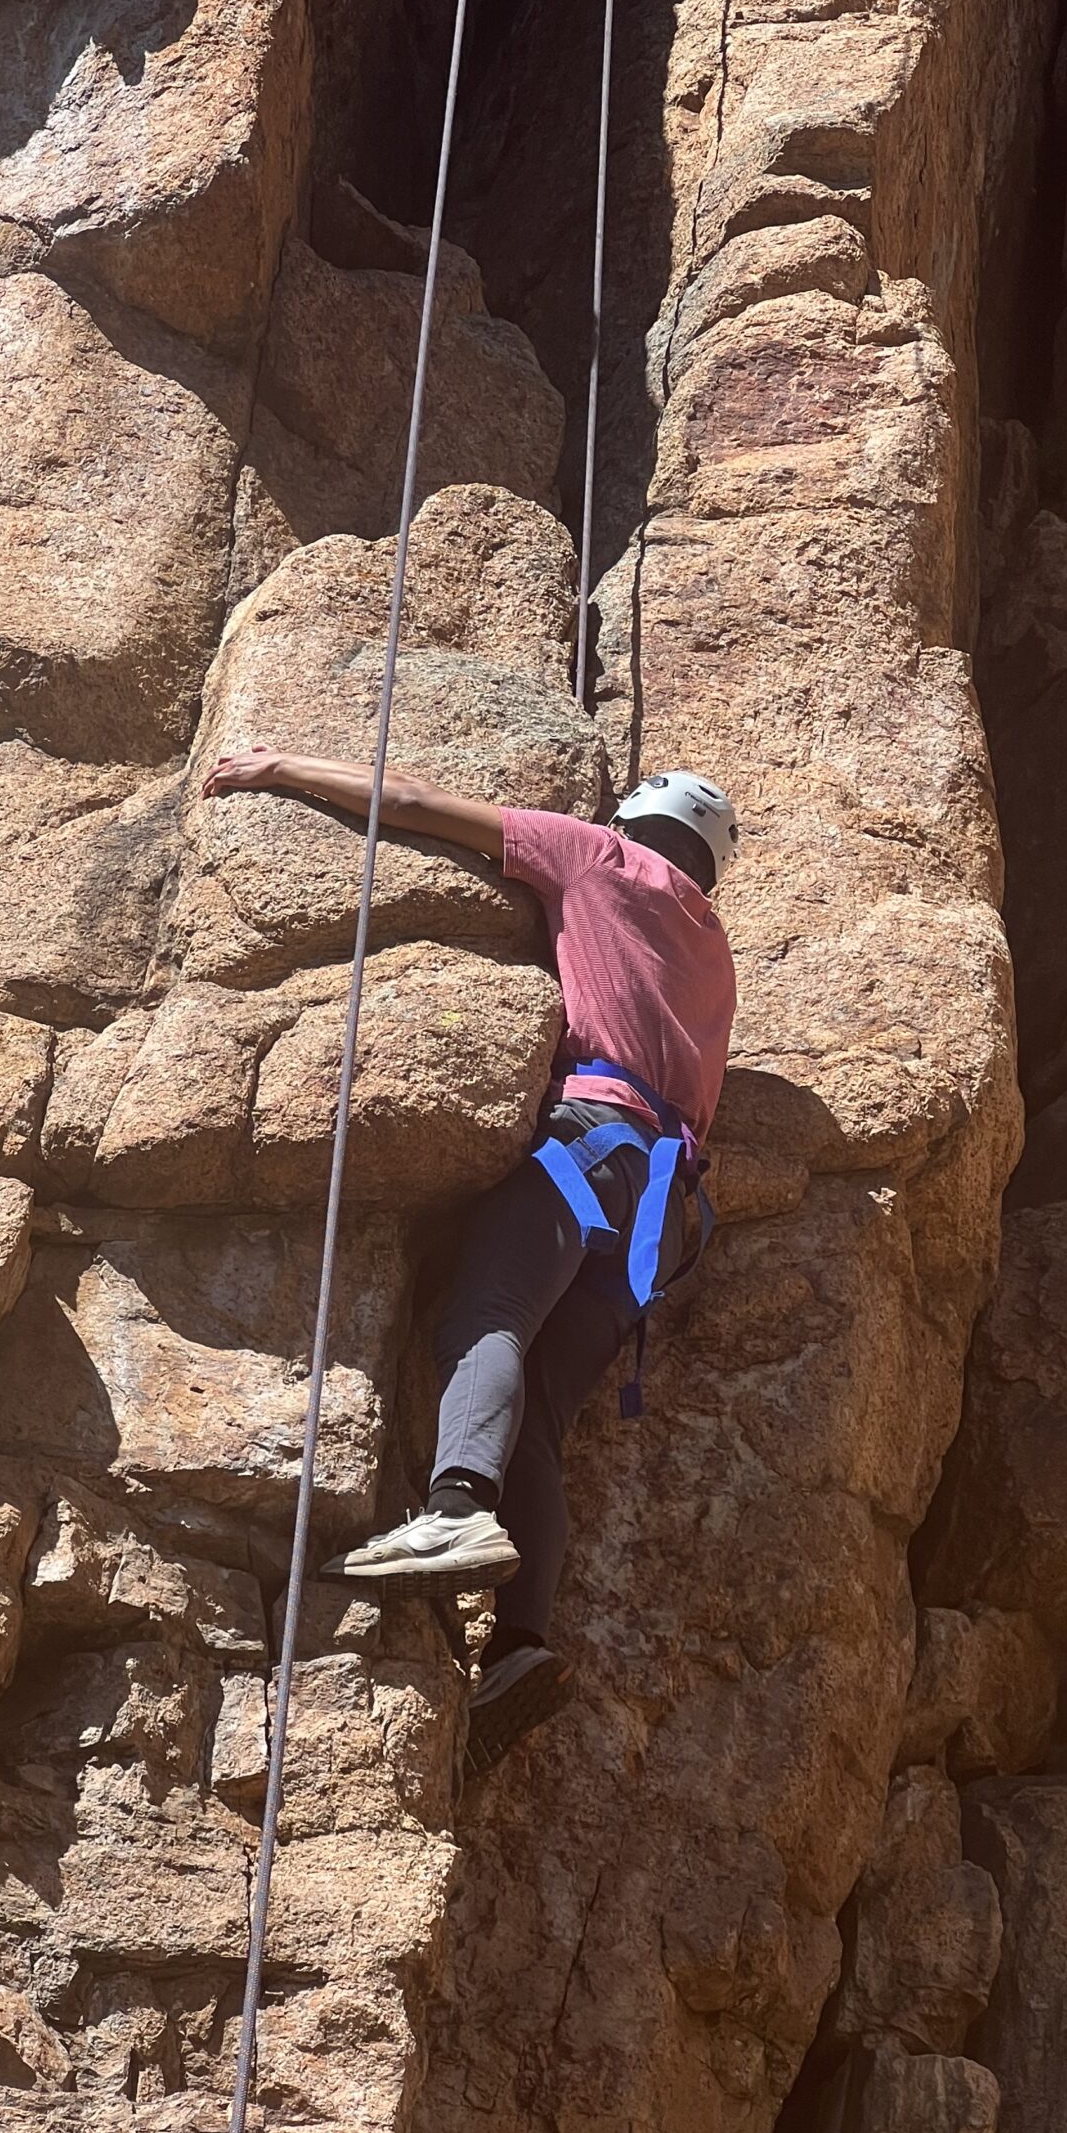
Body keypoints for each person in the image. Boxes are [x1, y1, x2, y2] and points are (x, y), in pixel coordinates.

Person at [200, 746, 738, 1769]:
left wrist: (284, 769)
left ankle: (455, 1509)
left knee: (488, 1316)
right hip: (662, 1213)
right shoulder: (712, 948)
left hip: (591, 1147)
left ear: (631, 823)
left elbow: (418, 804)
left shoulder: (600, 858)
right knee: (539, 1412)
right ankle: (521, 1641)